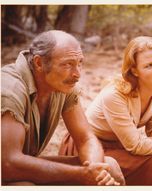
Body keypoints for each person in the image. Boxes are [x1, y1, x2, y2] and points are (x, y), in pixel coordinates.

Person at [59, 36, 152, 185]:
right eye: (149, 65)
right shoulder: (114, 96)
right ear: (134, 71)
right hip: (90, 148)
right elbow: (136, 146)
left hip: (121, 145)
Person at [1, 30, 125, 186]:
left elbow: (86, 138)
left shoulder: (61, 84)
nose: (77, 74)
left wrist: (95, 170)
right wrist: (80, 175)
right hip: (7, 170)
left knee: (110, 167)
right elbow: (7, 163)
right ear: (39, 63)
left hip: (21, 165)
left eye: (80, 63)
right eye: (68, 64)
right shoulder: (10, 89)